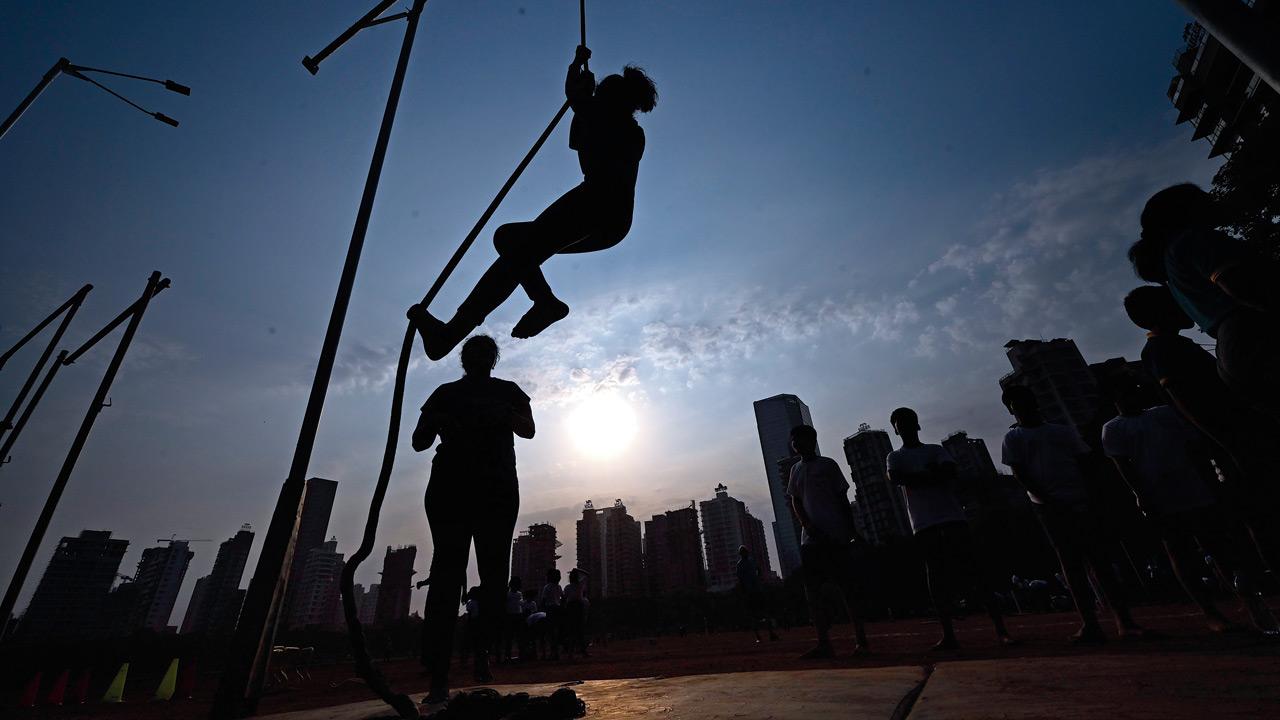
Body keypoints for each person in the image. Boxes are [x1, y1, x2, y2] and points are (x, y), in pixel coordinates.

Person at [408, 45, 659, 360]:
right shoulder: (615, 124)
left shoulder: (619, 126)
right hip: (606, 217)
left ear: (614, 101)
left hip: (597, 207)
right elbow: (577, 137)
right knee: (513, 245)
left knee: (514, 244)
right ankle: (454, 333)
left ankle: (537, 305)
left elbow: (582, 108)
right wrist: (582, 94)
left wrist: (577, 74)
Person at [1101, 378, 1279, 634]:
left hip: (1194, 489)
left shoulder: (1163, 414)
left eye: (1133, 390)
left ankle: (1251, 605)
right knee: (1181, 554)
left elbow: (1193, 447)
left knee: (1219, 549)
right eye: (1124, 392)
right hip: (1161, 497)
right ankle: (1211, 612)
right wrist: (1142, 496)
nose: (1131, 395)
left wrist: (1210, 481)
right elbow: (1125, 468)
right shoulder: (1114, 428)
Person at [413, 335, 535, 701]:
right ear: (464, 359)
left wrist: (506, 415)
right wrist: (434, 420)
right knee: (447, 577)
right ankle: (438, 673)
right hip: (450, 490)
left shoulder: (509, 391)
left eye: (485, 354)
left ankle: (483, 653)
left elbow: (528, 429)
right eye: (473, 353)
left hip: (496, 490)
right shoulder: (444, 393)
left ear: (493, 360)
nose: (479, 358)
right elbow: (419, 442)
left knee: (494, 577)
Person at [1000, 385, 1146, 643]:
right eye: (1015, 404)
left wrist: (1090, 496)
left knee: (1100, 561)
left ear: (1035, 402)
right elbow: (1020, 474)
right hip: (1048, 507)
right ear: (1011, 410)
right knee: (1071, 564)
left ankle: (1123, 621)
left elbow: (1084, 462)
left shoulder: (1060, 430)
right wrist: (1049, 501)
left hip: (1079, 501)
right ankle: (1090, 623)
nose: (1022, 407)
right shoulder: (1014, 438)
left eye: (1025, 401)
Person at [1128, 183, 1280, 419]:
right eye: (1201, 197)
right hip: (1254, 336)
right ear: (1185, 210)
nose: (1211, 200)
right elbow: (1243, 286)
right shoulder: (1191, 240)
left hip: (1232, 353)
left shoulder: (1173, 267)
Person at [886, 407, 1014, 650]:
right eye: (899, 423)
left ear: (917, 424)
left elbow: (949, 473)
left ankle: (1001, 629)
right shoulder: (895, 457)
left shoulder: (935, 450)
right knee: (936, 577)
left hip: (953, 517)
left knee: (977, 572)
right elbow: (897, 478)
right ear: (895, 429)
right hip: (923, 523)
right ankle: (948, 635)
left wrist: (919, 477)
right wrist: (931, 475)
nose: (904, 426)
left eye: (908, 421)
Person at [785, 424, 870, 658]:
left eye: (798, 439)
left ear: (811, 440)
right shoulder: (795, 470)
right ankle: (824, 642)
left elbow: (842, 499)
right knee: (813, 592)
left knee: (847, 588)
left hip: (836, 535)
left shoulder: (828, 465)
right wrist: (807, 525)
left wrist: (851, 531)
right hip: (811, 540)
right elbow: (796, 501)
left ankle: (861, 641)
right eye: (793, 440)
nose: (795, 443)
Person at [736, 545, 780, 643]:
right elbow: (741, 579)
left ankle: (765, 635)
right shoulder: (744, 563)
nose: (745, 554)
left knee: (759, 613)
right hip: (753, 591)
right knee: (756, 614)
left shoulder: (745, 563)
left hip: (754, 591)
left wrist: (757, 580)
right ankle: (762, 635)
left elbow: (742, 579)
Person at [562, 569, 590, 658]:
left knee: (572, 631)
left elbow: (564, 598)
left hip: (571, 607)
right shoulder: (580, 585)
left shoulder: (567, 587)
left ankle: (571, 653)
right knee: (580, 630)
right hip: (578, 606)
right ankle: (583, 652)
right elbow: (587, 574)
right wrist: (577, 570)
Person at [538, 568, 564, 661]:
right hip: (557, 610)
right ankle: (555, 652)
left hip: (550, 610)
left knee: (551, 633)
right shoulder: (559, 587)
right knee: (555, 632)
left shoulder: (547, 587)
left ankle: (552, 653)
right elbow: (563, 598)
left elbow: (543, 601)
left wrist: (540, 610)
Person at [503, 577, 525, 662]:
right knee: (511, 637)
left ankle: (511, 655)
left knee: (514, 637)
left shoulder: (516, 594)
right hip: (512, 616)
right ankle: (509, 655)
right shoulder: (511, 594)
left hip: (515, 616)